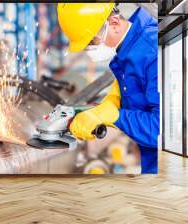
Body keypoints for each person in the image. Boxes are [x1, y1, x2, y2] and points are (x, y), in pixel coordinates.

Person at [57, 3, 159, 173]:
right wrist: (114, 100)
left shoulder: (152, 53)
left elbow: (162, 131)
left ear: (114, 23)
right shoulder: (131, 49)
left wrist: (115, 116)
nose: (90, 49)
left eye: (92, 41)